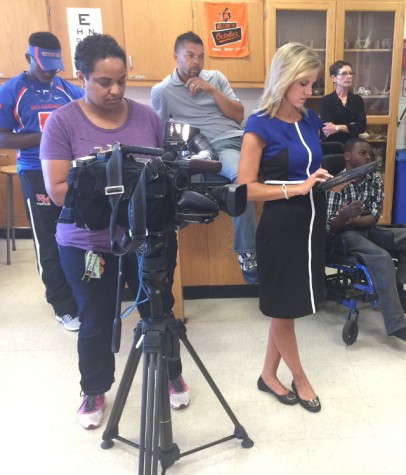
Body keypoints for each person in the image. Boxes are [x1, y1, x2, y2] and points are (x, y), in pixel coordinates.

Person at [40, 34, 190, 430]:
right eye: (104, 82)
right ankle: (94, 388)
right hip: (88, 245)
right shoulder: (63, 122)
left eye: (121, 80)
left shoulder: (147, 119)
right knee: (96, 318)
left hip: (147, 239)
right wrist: (118, 192)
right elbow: (57, 192)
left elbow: (165, 172)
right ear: (81, 77)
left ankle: (171, 372)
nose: (116, 90)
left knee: (159, 312)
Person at [238, 42, 332, 413]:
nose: (310, 92)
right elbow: (245, 189)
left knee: (286, 308)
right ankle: (301, 379)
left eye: (313, 83)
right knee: (284, 310)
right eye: (304, 84)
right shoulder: (259, 124)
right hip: (280, 228)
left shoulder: (308, 118)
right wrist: (298, 187)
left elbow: (308, 169)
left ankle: (268, 375)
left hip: (310, 224)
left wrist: (324, 181)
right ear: (284, 79)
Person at [151, 31, 258, 284]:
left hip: (243, 137)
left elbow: (238, 115)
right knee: (242, 184)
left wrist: (211, 90)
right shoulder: (163, 91)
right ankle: (247, 253)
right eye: (190, 56)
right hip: (217, 146)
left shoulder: (216, 78)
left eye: (200, 56)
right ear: (176, 57)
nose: (196, 62)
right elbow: (161, 134)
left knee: (289, 166)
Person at [0, 32, 83, 331]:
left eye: (54, 66)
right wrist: (45, 136)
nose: (49, 72)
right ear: (28, 59)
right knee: (49, 241)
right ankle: (63, 305)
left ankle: (82, 296)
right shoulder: (11, 91)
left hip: (71, 170)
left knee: (77, 235)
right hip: (35, 171)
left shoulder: (67, 91)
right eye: (43, 66)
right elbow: (2, 136)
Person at [325, 137, 406, 340]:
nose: (369, 156)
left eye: (370, 153)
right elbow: (330, 227)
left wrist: (351, 219)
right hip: (345, 236)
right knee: (382, 256)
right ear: (347, 156)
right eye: (362, 153)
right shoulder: (336, 184)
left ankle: (397, 287)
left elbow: (374, 217)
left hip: (369, 230)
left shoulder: (375, 180)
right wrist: (344, 217)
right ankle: (397, 324)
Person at [320, 60, 366, 144]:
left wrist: (337, 127)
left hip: (353, 147)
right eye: (344, 73)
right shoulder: (326, 101)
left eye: (350, 73)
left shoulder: (357, 100)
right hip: (332, 146)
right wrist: (351, 126)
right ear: (334, 78)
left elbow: (361, 126)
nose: (349, 76)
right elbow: (328, 128)